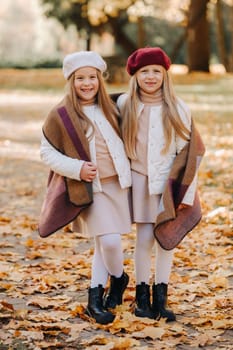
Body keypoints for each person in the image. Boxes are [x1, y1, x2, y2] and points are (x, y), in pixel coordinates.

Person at [40, 51, 132, 325]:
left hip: (118, 184)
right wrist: (77, 168)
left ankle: (95, 298)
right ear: (71, 81)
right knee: (109, 241)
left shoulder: (112, 107)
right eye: (81, 78)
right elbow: (47, 153)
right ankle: (118, 279)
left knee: (102, 244)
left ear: (100, 80)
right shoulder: (61, 115)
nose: (87, 83)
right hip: (92, 188)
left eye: (92, 77)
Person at [117, 47, 200, 322]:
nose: (150, 77)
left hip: (167, 183)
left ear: (165, 75)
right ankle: (142, 297)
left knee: (166, 241)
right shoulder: (125, 104)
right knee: (143, 240)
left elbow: (188, 154)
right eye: (144, 72)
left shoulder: (177, 107)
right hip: (139, 181)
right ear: (135, 75)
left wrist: (184, 192)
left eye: (156, 71)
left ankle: (160, 297)